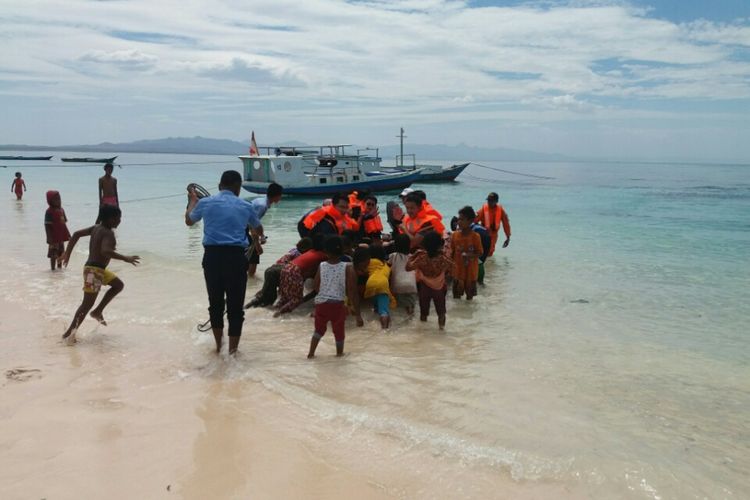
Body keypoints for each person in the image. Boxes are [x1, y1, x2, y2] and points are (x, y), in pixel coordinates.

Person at [185, 170, 264, 354]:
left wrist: (192, 202)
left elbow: (189, 221)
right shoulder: (246, 205)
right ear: (238, 188)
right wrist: (258, 234)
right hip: (236, 258)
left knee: (216, 303)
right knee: (236, 306)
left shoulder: (205, 203)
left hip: (212, 257)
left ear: (220, 185)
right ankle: (233, 351)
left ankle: (218, 346)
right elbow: (258, 228)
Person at [60, 205, 140, 344]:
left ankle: (98, 311)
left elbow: (76, 234)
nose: (119, 221)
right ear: (109, 218)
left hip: (96, 269)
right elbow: (105, 251)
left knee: (118, 285)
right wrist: (125, 258)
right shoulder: (108, 233)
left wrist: (68, 253)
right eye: (117, 218)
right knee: (86, 305)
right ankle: (68, 335)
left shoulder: (96, 228)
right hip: (94, 271)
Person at [307, 236, 359, 358]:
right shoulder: (348, 266)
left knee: (318, 331)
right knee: (339, 332)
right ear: (343, 250)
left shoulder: (322, 265)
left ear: (326, 251)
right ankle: (339, 354)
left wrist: (324, 294)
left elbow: (315, 285)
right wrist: (352, 306)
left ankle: (311, 353)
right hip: (337, 304)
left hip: (321, 303)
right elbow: (351, 289)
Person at [246, 237, 312, 308]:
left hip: (272, 269)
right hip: (281, 272)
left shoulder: (293, 250)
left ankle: (249, 307)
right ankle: (268, 311)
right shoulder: (303, 256)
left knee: (264, 295)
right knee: (270, 300)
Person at [406, 231, 453, 330]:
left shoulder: (421, 258)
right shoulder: (443, 259)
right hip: (439, 289)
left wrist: (413, 256)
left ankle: (423, 332)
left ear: (424, 246)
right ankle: (441, 330)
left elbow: (408, 268)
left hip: (424, 288)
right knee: (441, 313)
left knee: (423, 313)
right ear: (440, 245)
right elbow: (453, 268)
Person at [274, 235, 328, 316]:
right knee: (296, 300)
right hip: (294, 271)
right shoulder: (323, 256)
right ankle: (279, 314)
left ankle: (275, 310)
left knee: (285, 297)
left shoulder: (311, 251)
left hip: (286, 268)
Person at [247, 182, 283, 277]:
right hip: (244, 228)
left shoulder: (261, 201)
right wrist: (257, 244)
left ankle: (249, 280)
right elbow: (252, 225)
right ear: (276, 196)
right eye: (280, 195)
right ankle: (250, 279)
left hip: (242, 227)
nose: (281, 198)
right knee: (254, 258)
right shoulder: (262, 206)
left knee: (249, 256)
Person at [451, 206, 483, 300]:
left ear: (470, 221)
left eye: (462, 219)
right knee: (456, 298)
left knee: (470, 299)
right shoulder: (455, 235)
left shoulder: (475, 236)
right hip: (457, 272)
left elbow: (480, 252)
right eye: (458, 219)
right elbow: (452, 252)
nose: (459, 222)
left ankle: (468, 314)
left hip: (471, 273)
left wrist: (469, 255)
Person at [363, 245, 394, 329]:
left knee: (377, 309)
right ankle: (385, 331)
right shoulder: (386, 265)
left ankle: (377, 326)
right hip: (383, 284)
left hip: (370, 284)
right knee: (384, 311)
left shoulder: (368, 262)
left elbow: (363, 271)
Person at [387, 233, 417, 315]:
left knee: (399, 309)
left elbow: (386, 267)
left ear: (396, 245)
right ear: (409, 245)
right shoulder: (412, 257)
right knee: (411, 307)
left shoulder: (393, 256)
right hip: (411, 286)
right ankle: (410, 312)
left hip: (398, 285)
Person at [475, 192, 511, 257]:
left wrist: (508, 237)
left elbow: (506, 224)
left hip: (493, 235)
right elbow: (474, 220)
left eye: (491, 200)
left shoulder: (501, 210)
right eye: (488, 200)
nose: (489, 202)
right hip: (483, 234)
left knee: (490, 253)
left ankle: (489, 266)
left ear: (496, 201)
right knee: (481, 251)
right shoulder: (484, 209)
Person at [44, 190, 71, 271]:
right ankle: (52, 269)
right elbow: (47, 225)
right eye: (55, 199)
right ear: (50, 201)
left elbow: (64, 223)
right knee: (53, 254)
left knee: (61, 253)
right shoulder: (49, 212)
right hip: (53, 238)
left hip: (61, 237)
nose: (58, 201)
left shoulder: (62, 210)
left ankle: (59, 269)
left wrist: (68, 234)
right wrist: (49, 237)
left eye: (59, 199)